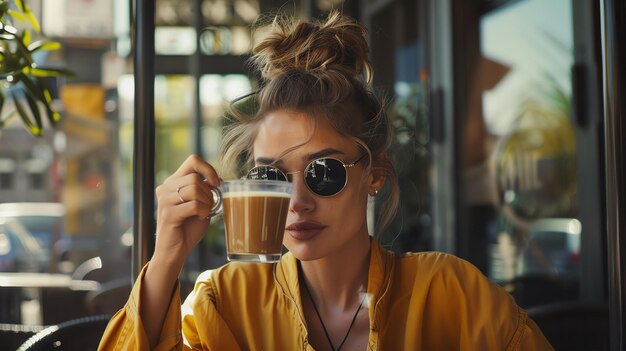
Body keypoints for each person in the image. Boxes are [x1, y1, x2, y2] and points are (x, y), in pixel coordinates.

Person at [98, 10, 553, 351]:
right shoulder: (225, 303)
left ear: (373, 173)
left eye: (324, 173)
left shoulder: (452, 294)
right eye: (271, 176)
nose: (296, 201)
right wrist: (166, 259)